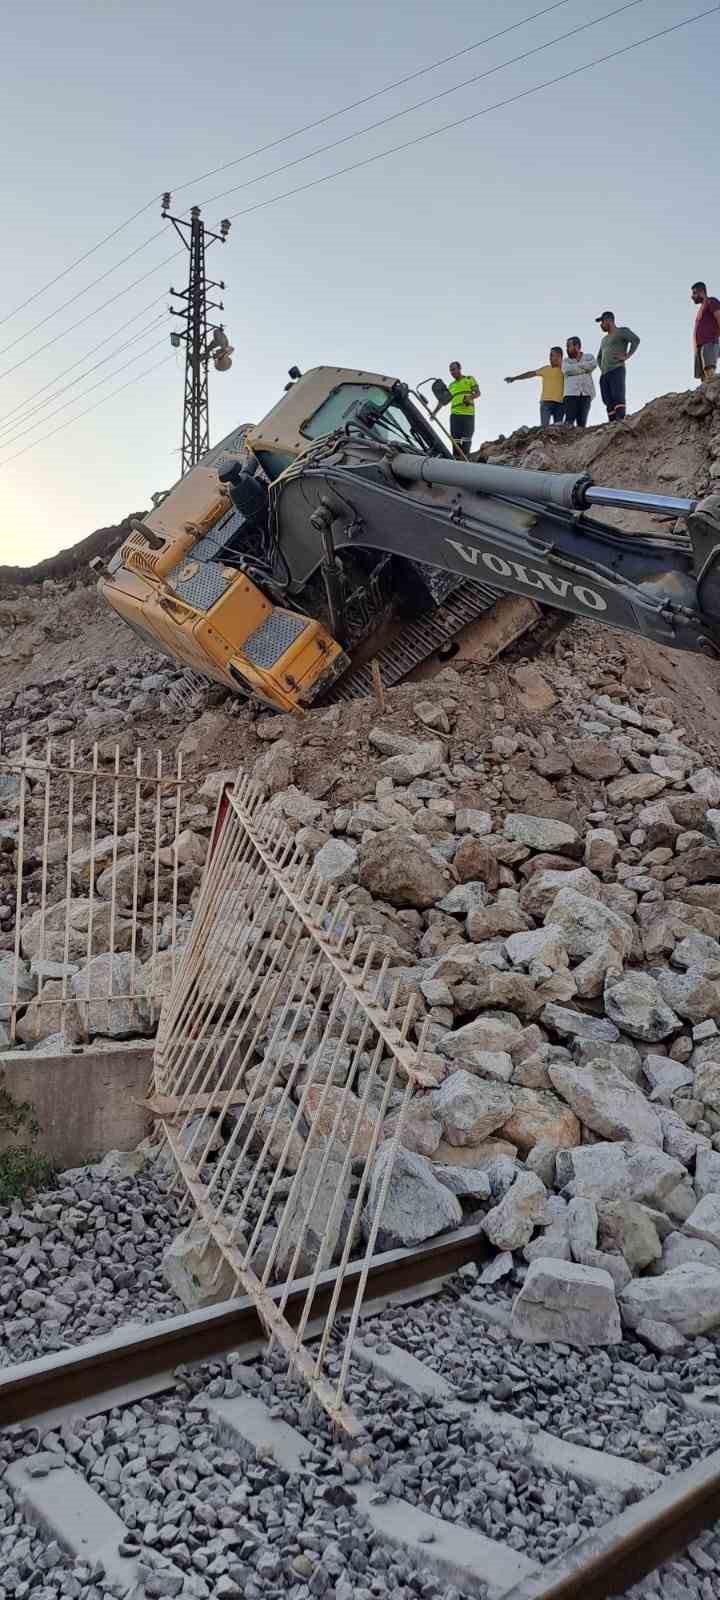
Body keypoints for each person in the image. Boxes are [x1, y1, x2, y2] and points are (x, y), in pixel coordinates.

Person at [596, 312, 640, 422]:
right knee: (607, 400)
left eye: (602, 322)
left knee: (618, 396)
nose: (601, 325)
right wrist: (603, 368)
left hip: (617, 369)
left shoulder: (621, 332)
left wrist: (627, 356)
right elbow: (599, 356)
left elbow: (635, 340)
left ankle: (621, 420)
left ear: (608, 320)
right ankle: (612, 423)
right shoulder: (604, 340)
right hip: (605, 374)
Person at [505, 347, 564, 425]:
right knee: (544, 428)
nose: (549, 357)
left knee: (559, 429)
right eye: (550, 355)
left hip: (560, 403)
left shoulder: (566, 369)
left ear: (559, 356)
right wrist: (515, 378)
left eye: (552, 355)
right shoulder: (546, 369)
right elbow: (530, 374)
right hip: (546, 403)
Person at [446, 361, 480, 457]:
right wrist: (434, 412)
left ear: (459, 369)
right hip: (455, 415)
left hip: (468, 415)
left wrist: (469, 398)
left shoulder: (469, 379)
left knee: (466, 439)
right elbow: (444, 401)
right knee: (455, 439)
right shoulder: (451, 385)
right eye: (450, 370)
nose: (452, 372)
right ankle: (456, 458)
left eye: (453, 369)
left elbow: (478, 393)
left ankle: (465, 457)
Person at [562, 337, 596, 428]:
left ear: (577, 346)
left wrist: (576, 367)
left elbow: (593, 365)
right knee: (569, 422)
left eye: (569, 346)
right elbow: (568, 370)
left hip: (586, 394)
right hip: (570, 395)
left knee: (582, 423)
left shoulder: (589, 357)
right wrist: (585, 368)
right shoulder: (565, 361)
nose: (566, 349)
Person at [691, 282, 720, 382]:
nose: (692, 296)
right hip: (699, 347)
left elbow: (719, 317)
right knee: (704, 379)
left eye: (694, 293)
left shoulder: (711, 301)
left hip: (709, 342)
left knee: (709, 372)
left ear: (701, 292)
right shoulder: (701, 309)